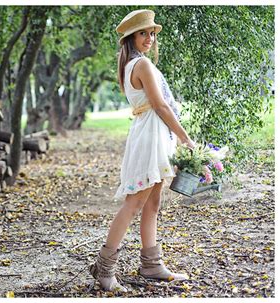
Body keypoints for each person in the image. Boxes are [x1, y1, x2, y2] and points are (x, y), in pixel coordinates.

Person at [89, 9, 196, 292]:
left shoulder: (132, 64)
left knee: (153, 202)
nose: (149, 38)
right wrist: (185, 138)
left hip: (151, 132)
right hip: (151, 134)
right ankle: (104, 268)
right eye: (142, 33)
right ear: (130, 38)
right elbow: (160, 106)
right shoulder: (142, 65)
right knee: (135, 202)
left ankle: (151, 263)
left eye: (151, 33)